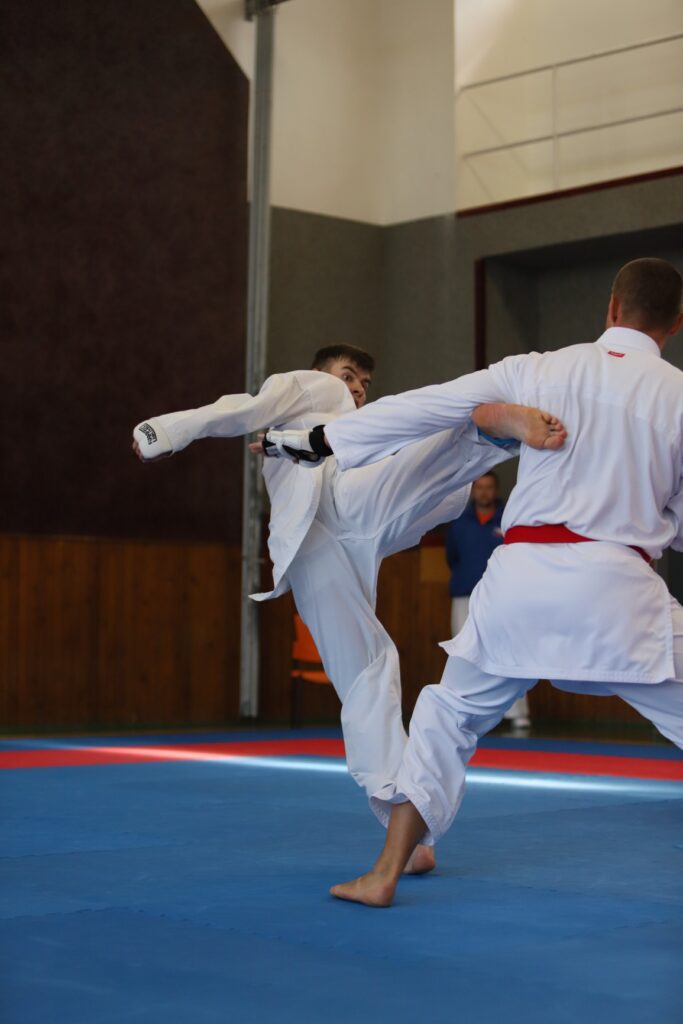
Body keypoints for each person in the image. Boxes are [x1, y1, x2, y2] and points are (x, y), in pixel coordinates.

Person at [266, 258, 683, 907]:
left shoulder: (538, 368)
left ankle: (384, 873)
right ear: (675, 324)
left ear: (610, 307)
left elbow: (422, 407)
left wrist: (318, 439)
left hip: (519, 581)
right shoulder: (676, 396)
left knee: (447, 716)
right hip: (617, 588)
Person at [133, 343, 566, 874]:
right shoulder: (309, 387)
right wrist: (166, 431)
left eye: (363, 382)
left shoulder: (360, 426)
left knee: (373, 657)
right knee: (371, 667)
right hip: (327, 523)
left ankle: (484, 435)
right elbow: (239, 408)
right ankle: (402, 820)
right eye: (349, 375)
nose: (357, 388)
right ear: (321, 372)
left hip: (353, 523)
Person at [446, 471, 530, 728]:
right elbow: (452, 557)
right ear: (473, 491)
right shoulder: (459, 522)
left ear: (496, 490)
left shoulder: (509, 518)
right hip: (465, 594)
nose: (484, 492)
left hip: (502, 597)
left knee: (509, 651)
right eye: (479, 487)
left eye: (488, 487)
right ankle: (464, 711)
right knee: (463, 653)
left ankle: (517, 713)